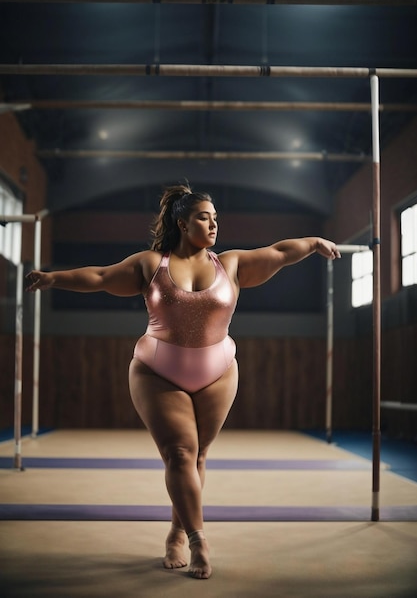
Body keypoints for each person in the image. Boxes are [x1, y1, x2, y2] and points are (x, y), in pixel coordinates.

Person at [26, 182, 341, 580]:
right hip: (158, 370)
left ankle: (176, 529)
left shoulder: (232, 265)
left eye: (216, 219)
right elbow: (102, 276)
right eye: (204, 217)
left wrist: (314, 242)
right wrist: (54, 279)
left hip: (218, 370)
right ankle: (198, 540)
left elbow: (279, 252)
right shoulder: (150, 264)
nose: (213, 225)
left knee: (198, 456)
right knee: (179, 451)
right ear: (182, 222)